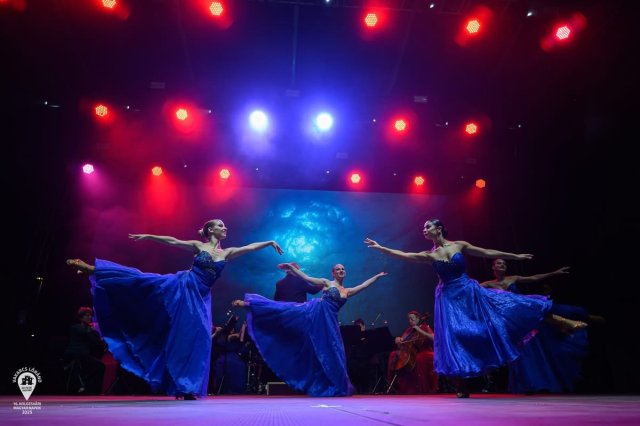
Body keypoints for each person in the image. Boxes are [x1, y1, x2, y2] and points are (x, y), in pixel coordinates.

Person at [364, 218, 587, 398]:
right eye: (423, 227)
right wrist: (381, 247)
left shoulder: (459, 245)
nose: (424, 230)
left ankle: (561, 321)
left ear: (439, 228)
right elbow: (403, 255)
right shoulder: (428, 255)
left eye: (428, 226)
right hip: (448, 299)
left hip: (469, 291)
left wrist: (514, 256)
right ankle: (462, 384)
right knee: (456, 336)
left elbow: (486, 252)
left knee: (509, 306)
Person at [66, 219, 283, 400]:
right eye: (220, 225)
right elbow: (173, 240)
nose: (225, 228)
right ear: (210, 230)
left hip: (201, 297)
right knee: (145, 281)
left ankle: (186, 386)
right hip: (185, 286)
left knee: (200, 338)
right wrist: (150, 236)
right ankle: (95, 270)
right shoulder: (199, 246)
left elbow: (250, 247)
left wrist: (269, 242)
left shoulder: (227, 252)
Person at [231, 263, 388, 396]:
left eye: (343, 269)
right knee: (286, 309)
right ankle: (250, 304)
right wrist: (292, 268)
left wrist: (377, 276)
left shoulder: (348, 291)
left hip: (330, 322)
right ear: (333, 273)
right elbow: (306, 278)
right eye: (338, 269)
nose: (341, 270)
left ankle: (334, 385)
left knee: (334, 351)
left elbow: (364, 285)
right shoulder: (327, 283)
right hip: (316, 312)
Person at [481, 259, 589, 394]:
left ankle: (564, 323)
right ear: (493, 267)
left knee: (536, 311)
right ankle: (523, 383)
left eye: (504, 263)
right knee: (519, 351)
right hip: (508, 319)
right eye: (499, 263)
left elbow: (534, 278)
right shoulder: (487, 284)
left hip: (522, 312)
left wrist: (553, 273)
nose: (502, 265)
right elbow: (471, 291)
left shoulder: (513, 278)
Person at [387, 310, 438, 394]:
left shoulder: (425, 327)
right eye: (409, 319)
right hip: (409, 352)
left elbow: (434, 338)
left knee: (418, 358)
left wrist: (419, 330)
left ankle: (420, 388)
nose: (410, 320)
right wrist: (399, 339)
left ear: (418, 319)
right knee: (393, 354)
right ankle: (394, 386)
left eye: (412, 318)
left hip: (424, 351)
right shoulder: (409, 330)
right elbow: (403, 341)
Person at [63, 307, 106, 394]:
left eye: (90, 315)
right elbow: (87, 334)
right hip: (76, 354)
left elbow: (95, 342)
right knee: (98, 365)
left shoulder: (90, 330)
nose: (89, 317)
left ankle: (92, 389)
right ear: (81, 317)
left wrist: (102, 342)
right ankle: (88, 388)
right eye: (87, 315)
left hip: (84, 355)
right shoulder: (75, 327)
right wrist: (93, 331)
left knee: (100, 365)